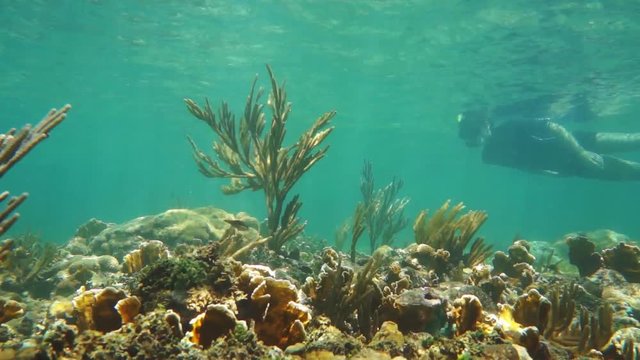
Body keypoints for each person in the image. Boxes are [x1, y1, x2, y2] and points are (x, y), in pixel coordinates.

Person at [457, 110, 640, 181]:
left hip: (579, 143)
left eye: (475, 134)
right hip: (570, 166)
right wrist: (547, 173)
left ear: (485, 124)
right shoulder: (489, 156)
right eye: (471, 141)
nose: (477, 142)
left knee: (633, 140)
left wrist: (581, 152)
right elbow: (522, 166)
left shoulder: (510, 125)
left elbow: (554, 127)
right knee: (633, 173)